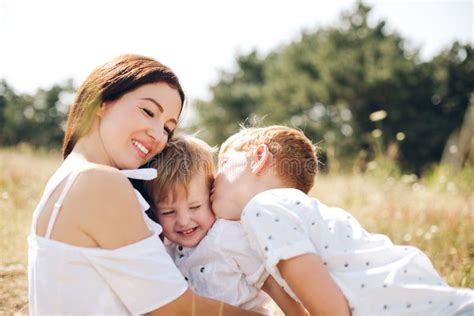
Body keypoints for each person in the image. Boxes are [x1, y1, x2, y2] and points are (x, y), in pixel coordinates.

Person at [28, 54, 259, 315]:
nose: (157, 134)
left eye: (168, 129)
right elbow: (178, 310)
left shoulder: (71, 176)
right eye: (148, 111)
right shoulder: (99, 182)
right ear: (102, 102)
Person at [211, 125, 474, 316]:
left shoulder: (263, 207)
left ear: (259, 158)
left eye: (222, 163)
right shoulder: (295, 213)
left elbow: (333, 313)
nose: (213, 179)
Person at [143, 135, 308, 315]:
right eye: (168, 212)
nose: (183, 221)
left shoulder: (227, 234)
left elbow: (269, 282)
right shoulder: (168, 247)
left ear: (210, 194)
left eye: (195, 207)